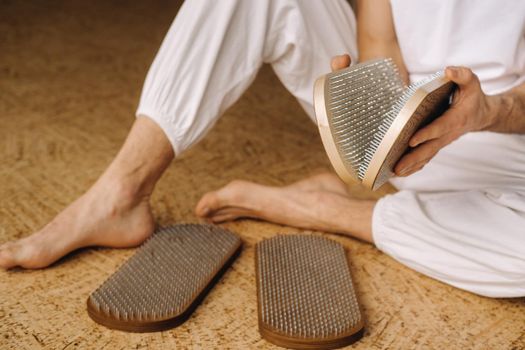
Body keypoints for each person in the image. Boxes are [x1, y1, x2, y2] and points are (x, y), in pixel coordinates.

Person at [1, 0, 524, 298]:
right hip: (405, 140)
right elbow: (381, 45)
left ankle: (333, 211)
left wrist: (485, 112)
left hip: (501, 150)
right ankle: (121, 194)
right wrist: (373, 109)